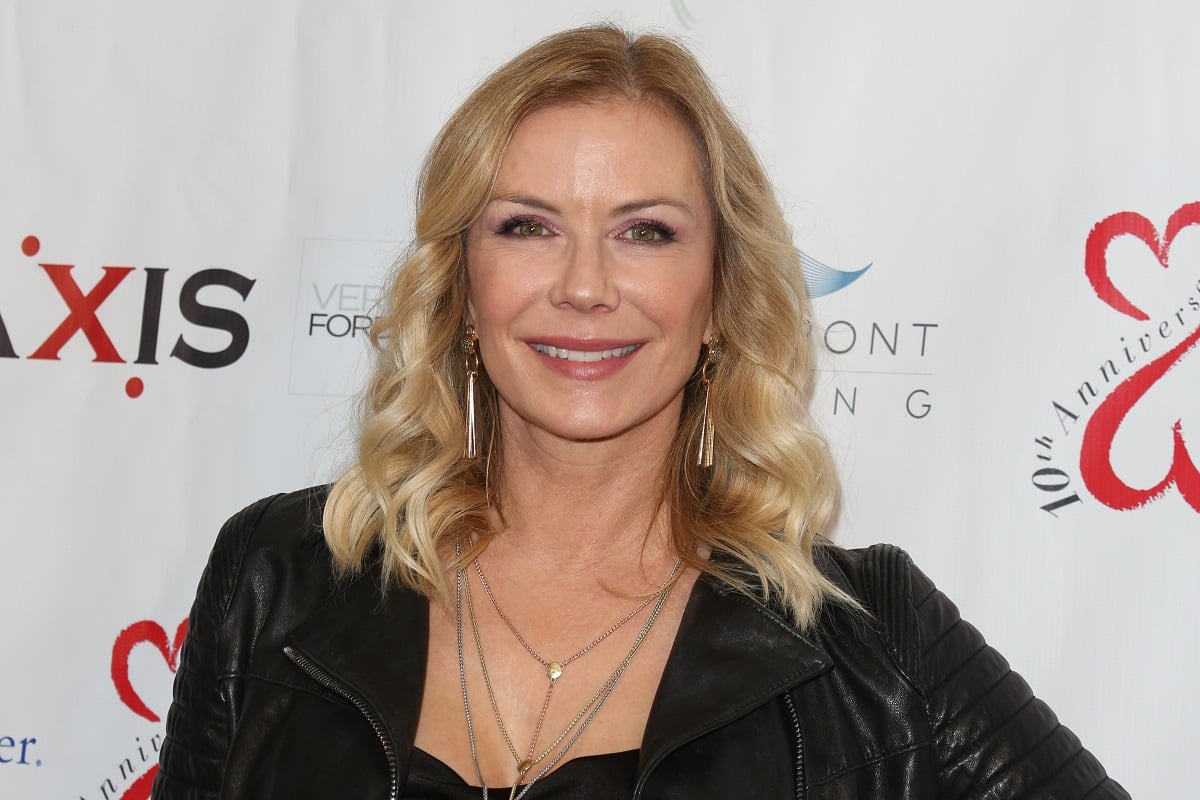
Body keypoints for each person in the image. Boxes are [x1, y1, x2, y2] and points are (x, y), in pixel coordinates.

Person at [153, 24, 1128, 799]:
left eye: (645, 232)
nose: (585, 285)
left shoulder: (870, 645)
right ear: (459, 283)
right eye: (528, 226)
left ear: (719, 296)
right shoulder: (275, 580)